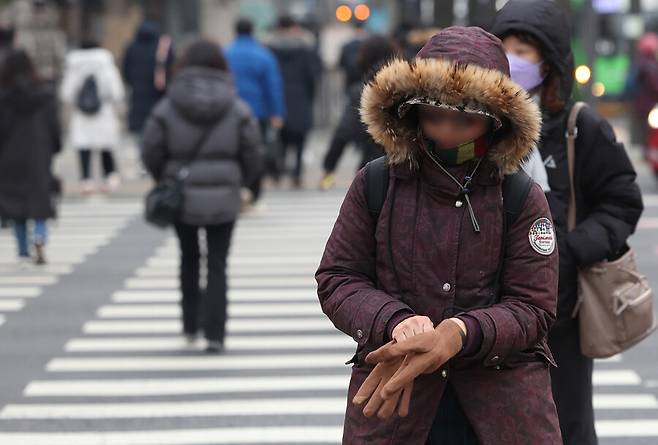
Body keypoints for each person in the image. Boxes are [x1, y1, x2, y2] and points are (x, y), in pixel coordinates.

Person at [316, 26, 562, 444]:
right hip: (396, 398)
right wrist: (395, 320)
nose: (447, 131)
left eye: (465, 119)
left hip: (501, 406)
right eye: (433, 115)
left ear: (495, 120)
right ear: (410, 111)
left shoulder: (520, 194)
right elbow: (338, 278)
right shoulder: (377, 182)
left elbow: (533, 306)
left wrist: (461, 332)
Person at [491, 2, 644, 444]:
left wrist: (573, 249)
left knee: (565, 425)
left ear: (552, 60)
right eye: (505, 48)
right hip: (487, 310)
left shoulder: (580, 127)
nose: (514, 59)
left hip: (562, 313)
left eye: (526, 50)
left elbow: (621, 200)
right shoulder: (476, 122)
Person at [141, 39, 263, 353]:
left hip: (182, 195)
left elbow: (151, 149)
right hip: (224, 195)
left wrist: (165, 177)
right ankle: (216, 333)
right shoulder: (235, 106)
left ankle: (190, 323)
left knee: (189, 256)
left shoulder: (168, 105)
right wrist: (242, 182)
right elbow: (252, 151)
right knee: (218, 262)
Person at [0, 49, 61, 266]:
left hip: (9, 155)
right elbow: (54, 126)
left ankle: (23, 249)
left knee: (15, 204)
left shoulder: (4, 96)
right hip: (39, 150)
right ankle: (40, 235)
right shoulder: (44, 92)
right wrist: (55, 147)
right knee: (40, 198)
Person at [319, 35, 397, 190]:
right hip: (409, 165)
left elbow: (344, 130)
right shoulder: (407, 88)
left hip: (374, 165)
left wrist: (330, 165)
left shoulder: (364, 91)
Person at [226, 17, 285, 200]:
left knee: (232, 152)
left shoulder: (225, 54)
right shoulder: (263, 55)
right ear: (252, 31)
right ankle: (253, 191)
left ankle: (236, 188)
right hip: (257, 113)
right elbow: (273, 86)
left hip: (229, 113)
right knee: (255, 152)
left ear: (235, 31)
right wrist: (277, 112)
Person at [60, 39, 125, 194]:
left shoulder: (74, 65)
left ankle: (86, 180)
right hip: (104, 111)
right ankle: (110, 177)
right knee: (106, 146)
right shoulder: (106, 64)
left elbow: (66, 93)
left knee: (84, 147)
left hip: (81, 113)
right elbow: (117, 91)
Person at [266, 16, 321, 188]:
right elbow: (313, 75)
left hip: (279, 96)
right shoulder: (306, 48)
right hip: (301, 96)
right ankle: (297, 173)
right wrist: (311, 96)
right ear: (295, 27)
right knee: (300, 138)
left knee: (281, 137)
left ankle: (278, 171)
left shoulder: (270, 48)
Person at [123, 18, 174, 137]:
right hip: (159, 95)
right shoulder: (163, 47)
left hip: (138, 96)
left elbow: (126, 71)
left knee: (141, 133)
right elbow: (172, 70)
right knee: (159, 129)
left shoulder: (131, 47)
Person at [630, 33, 658, 151]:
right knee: (648, 132)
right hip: (648, 104)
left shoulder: (638, 61)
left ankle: (643, 149)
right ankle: (647, 151)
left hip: (638, 103)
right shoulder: (649, 64)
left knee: (641, 129)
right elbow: (655, 85)